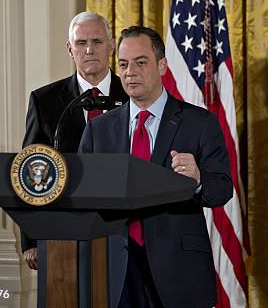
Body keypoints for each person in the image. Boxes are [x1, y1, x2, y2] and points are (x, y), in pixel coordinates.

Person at [78, 26, 233, 307]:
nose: (129, 72)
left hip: (178, 271)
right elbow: (81, 196)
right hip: (114, 269)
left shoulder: (198, 123)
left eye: (140, 62)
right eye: (123, 64)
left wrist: (198, 178)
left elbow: (222, 189)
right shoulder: (99, 129)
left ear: (162, 66)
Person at [21, 12, 127, 269]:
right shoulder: (44, 100)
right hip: (64, 228)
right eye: (81, 43)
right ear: (70, 49)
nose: (89, 50)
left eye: (97, 42)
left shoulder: (132, 94)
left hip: (125, 228)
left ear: (111, 46)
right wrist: (31, 238)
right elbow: (33, 169)